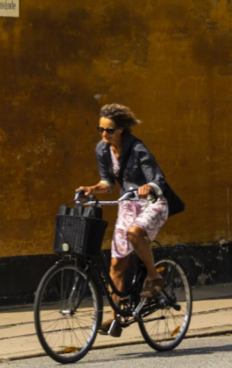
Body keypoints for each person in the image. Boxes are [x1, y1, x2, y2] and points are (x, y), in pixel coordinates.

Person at [76, 104, 181, 335]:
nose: (104, 134)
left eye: (109, 130)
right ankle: (116, 319)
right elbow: (108, 183)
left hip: (153, 203)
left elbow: (159, 180)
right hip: (127, 205)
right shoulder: (102, 150)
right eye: (101, 129)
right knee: (117, 263)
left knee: (135, 233)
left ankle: (154, 278)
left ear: (122, 129)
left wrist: (147, 187)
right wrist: (91, 189)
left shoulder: (138, 149)